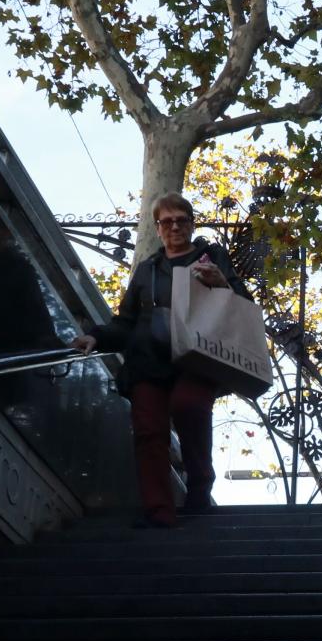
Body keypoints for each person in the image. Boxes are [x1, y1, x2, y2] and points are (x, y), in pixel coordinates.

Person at [71, 192, 251, 528]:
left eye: (181, 219)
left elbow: (244, 303)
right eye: (166, 222)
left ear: (192, 222)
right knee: (148, 430)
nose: (174, 227)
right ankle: (159, 511)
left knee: (188, 406)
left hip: (197, 357)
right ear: (157, 228)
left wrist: (222, 283)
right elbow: (124, 321)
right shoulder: (147, 270)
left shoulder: (211, 257)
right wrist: (96, 337)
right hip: (149, 358)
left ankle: (200, 482)